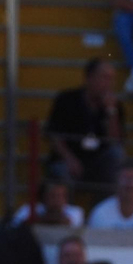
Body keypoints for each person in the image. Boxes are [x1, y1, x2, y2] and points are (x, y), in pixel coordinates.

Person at [46, 58, 124, 192]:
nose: (108, 84)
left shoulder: (115, 107)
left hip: (97, 162)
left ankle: (101, 211)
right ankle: (69, 212)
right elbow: (54, 135)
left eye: (111, 79)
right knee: (61, 173)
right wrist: (70, 159)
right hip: (68, 159)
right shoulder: (66, 100)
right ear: (89, 77)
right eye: (104, 77)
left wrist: (111, 112)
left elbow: (115, 142)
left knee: (116, 157)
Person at [12, 176, 87, 227]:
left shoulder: (76, 211)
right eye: (52, 195)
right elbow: (16, 225)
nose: (57, 200)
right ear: (43, 197)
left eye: (61, 196)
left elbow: (67, 222)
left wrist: (38, 220)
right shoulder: (29, 209)